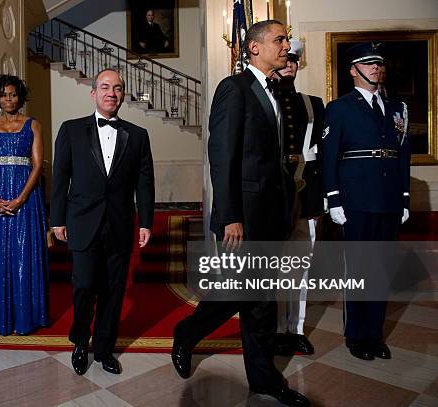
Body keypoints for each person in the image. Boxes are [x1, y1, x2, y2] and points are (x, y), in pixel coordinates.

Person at [170, 21, 309, 407]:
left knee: (258, 300)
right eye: (279, 40)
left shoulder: (276, 91)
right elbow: (223, 157)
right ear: (253, 48)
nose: (286, 45)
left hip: (271, 215)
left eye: (286, 39)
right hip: (242, 219)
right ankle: (189, 333)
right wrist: (230, 215)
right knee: (247, 296)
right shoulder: (235, 89)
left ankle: (260, 379)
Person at [51, 68, 155, 376]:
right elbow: (60, 178)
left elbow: (145, 182)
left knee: (113, 290)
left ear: (123, 94)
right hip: (82, 222)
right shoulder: (71, 130)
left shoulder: (138, 135)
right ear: (94, 93)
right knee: (83, 286)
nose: (112, 93)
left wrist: (146, 221)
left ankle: (105, 348)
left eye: (118, 88)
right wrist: (57, 218)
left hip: (120, 224)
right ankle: (81, 342)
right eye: (105, 87)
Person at [322, 42, 410, 361]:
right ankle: (356, 335)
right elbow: (330, 156)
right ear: (353, 70)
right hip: (355, 200)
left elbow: (402, 155)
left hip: (388, 200)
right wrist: (333, 199)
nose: (376, 67)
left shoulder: (397, 107)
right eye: (368, 62)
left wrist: (403, 198)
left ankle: (374, 334)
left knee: (381, 269)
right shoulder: (340, 108)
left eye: (379, 63)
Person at [0, 74, 49, 337]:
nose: (9, 99)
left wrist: (20, 198)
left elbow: (38, 164)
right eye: (4, 94)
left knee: (24, 251)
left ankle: (26, 317)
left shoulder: (33, 125)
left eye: (13, 94)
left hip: (26, 195)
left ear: (20, 97)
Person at [271, 40, 325, 356]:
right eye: (285, 59)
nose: (289, 64)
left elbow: (322, 155)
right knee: (276, 266)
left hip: (307, 196)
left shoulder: (314, 104)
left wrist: (324, 201)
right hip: (276, 197)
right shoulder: (265, 101)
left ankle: (296, 329)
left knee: (300, 267)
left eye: (294, 60)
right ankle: (277, 330)